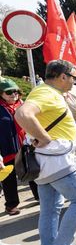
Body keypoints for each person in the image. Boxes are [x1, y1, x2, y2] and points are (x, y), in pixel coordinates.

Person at [15, 60, 76, 245]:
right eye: (73, 76)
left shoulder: (46, 92)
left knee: (50, 208)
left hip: (47, 162)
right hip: (56, 161)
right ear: (62, 76)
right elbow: (22, 114)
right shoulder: (46, 93)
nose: (74, 80)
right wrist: (45, 138)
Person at [1, 78, 38, 214]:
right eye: (9, 92)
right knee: (9, 179)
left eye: (16, 91)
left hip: (25, 146)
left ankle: (39, 196)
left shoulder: (23, 105)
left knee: (32, 171)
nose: (14, 94)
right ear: (1, 93)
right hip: (6, 149)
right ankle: (11, 205)